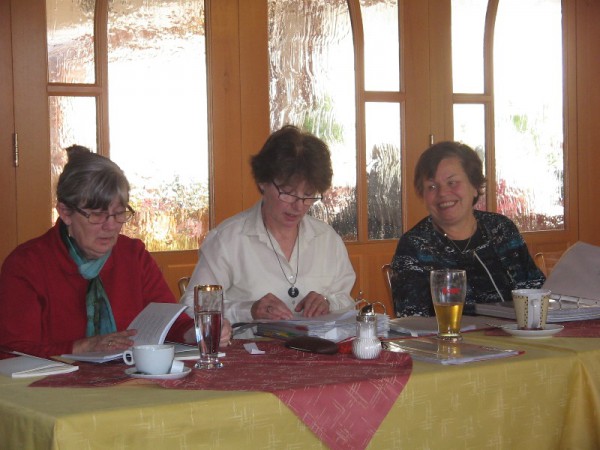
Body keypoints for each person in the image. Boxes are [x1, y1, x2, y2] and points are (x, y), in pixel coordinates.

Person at [0, 145, 231, 358]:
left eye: (119, 213)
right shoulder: (27, 265)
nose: (111, 226)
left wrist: (200, 332)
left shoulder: (133, 256)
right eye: (97, 214)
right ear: (65, 212)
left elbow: (172, 324)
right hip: (52, 392)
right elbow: (13, 350)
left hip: (130, 384)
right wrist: (81, 347)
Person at [181, 125, 356, 337]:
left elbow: (346, 300)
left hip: (317, 357)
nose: (299, 206)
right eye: (288, 193)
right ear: (263, 182)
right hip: (247, 361)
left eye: (309, 195)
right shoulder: (228, 240)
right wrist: (249, 310)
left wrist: (328, 303)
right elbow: (192, 307)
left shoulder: (327, 239)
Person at [390, 141, 545, 317]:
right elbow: (412, 320)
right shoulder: (415, 246)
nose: (442, 193)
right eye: (432, 187)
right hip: (451, 342)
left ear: (475, 186)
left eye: (452, 182)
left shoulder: (500, 229)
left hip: (518, 339)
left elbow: (536, 290)